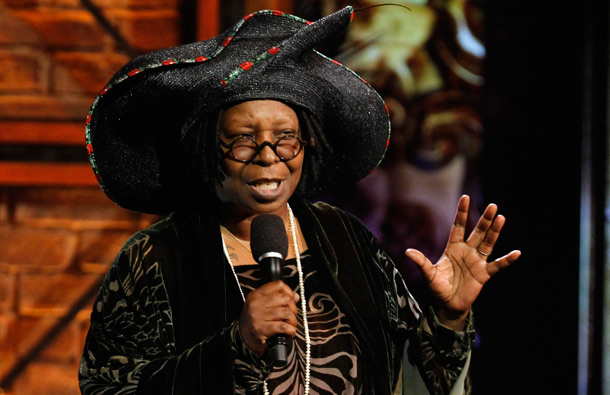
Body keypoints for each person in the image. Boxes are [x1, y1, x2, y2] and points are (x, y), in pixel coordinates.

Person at [79, 6, 520, 395]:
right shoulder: (155, 257)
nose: (269, 156)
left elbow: (411, 378)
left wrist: (447, 318)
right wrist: (235, 348)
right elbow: (109, 387)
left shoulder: (344, 239)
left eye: (286, 139)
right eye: (243, 140)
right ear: (207, 148)